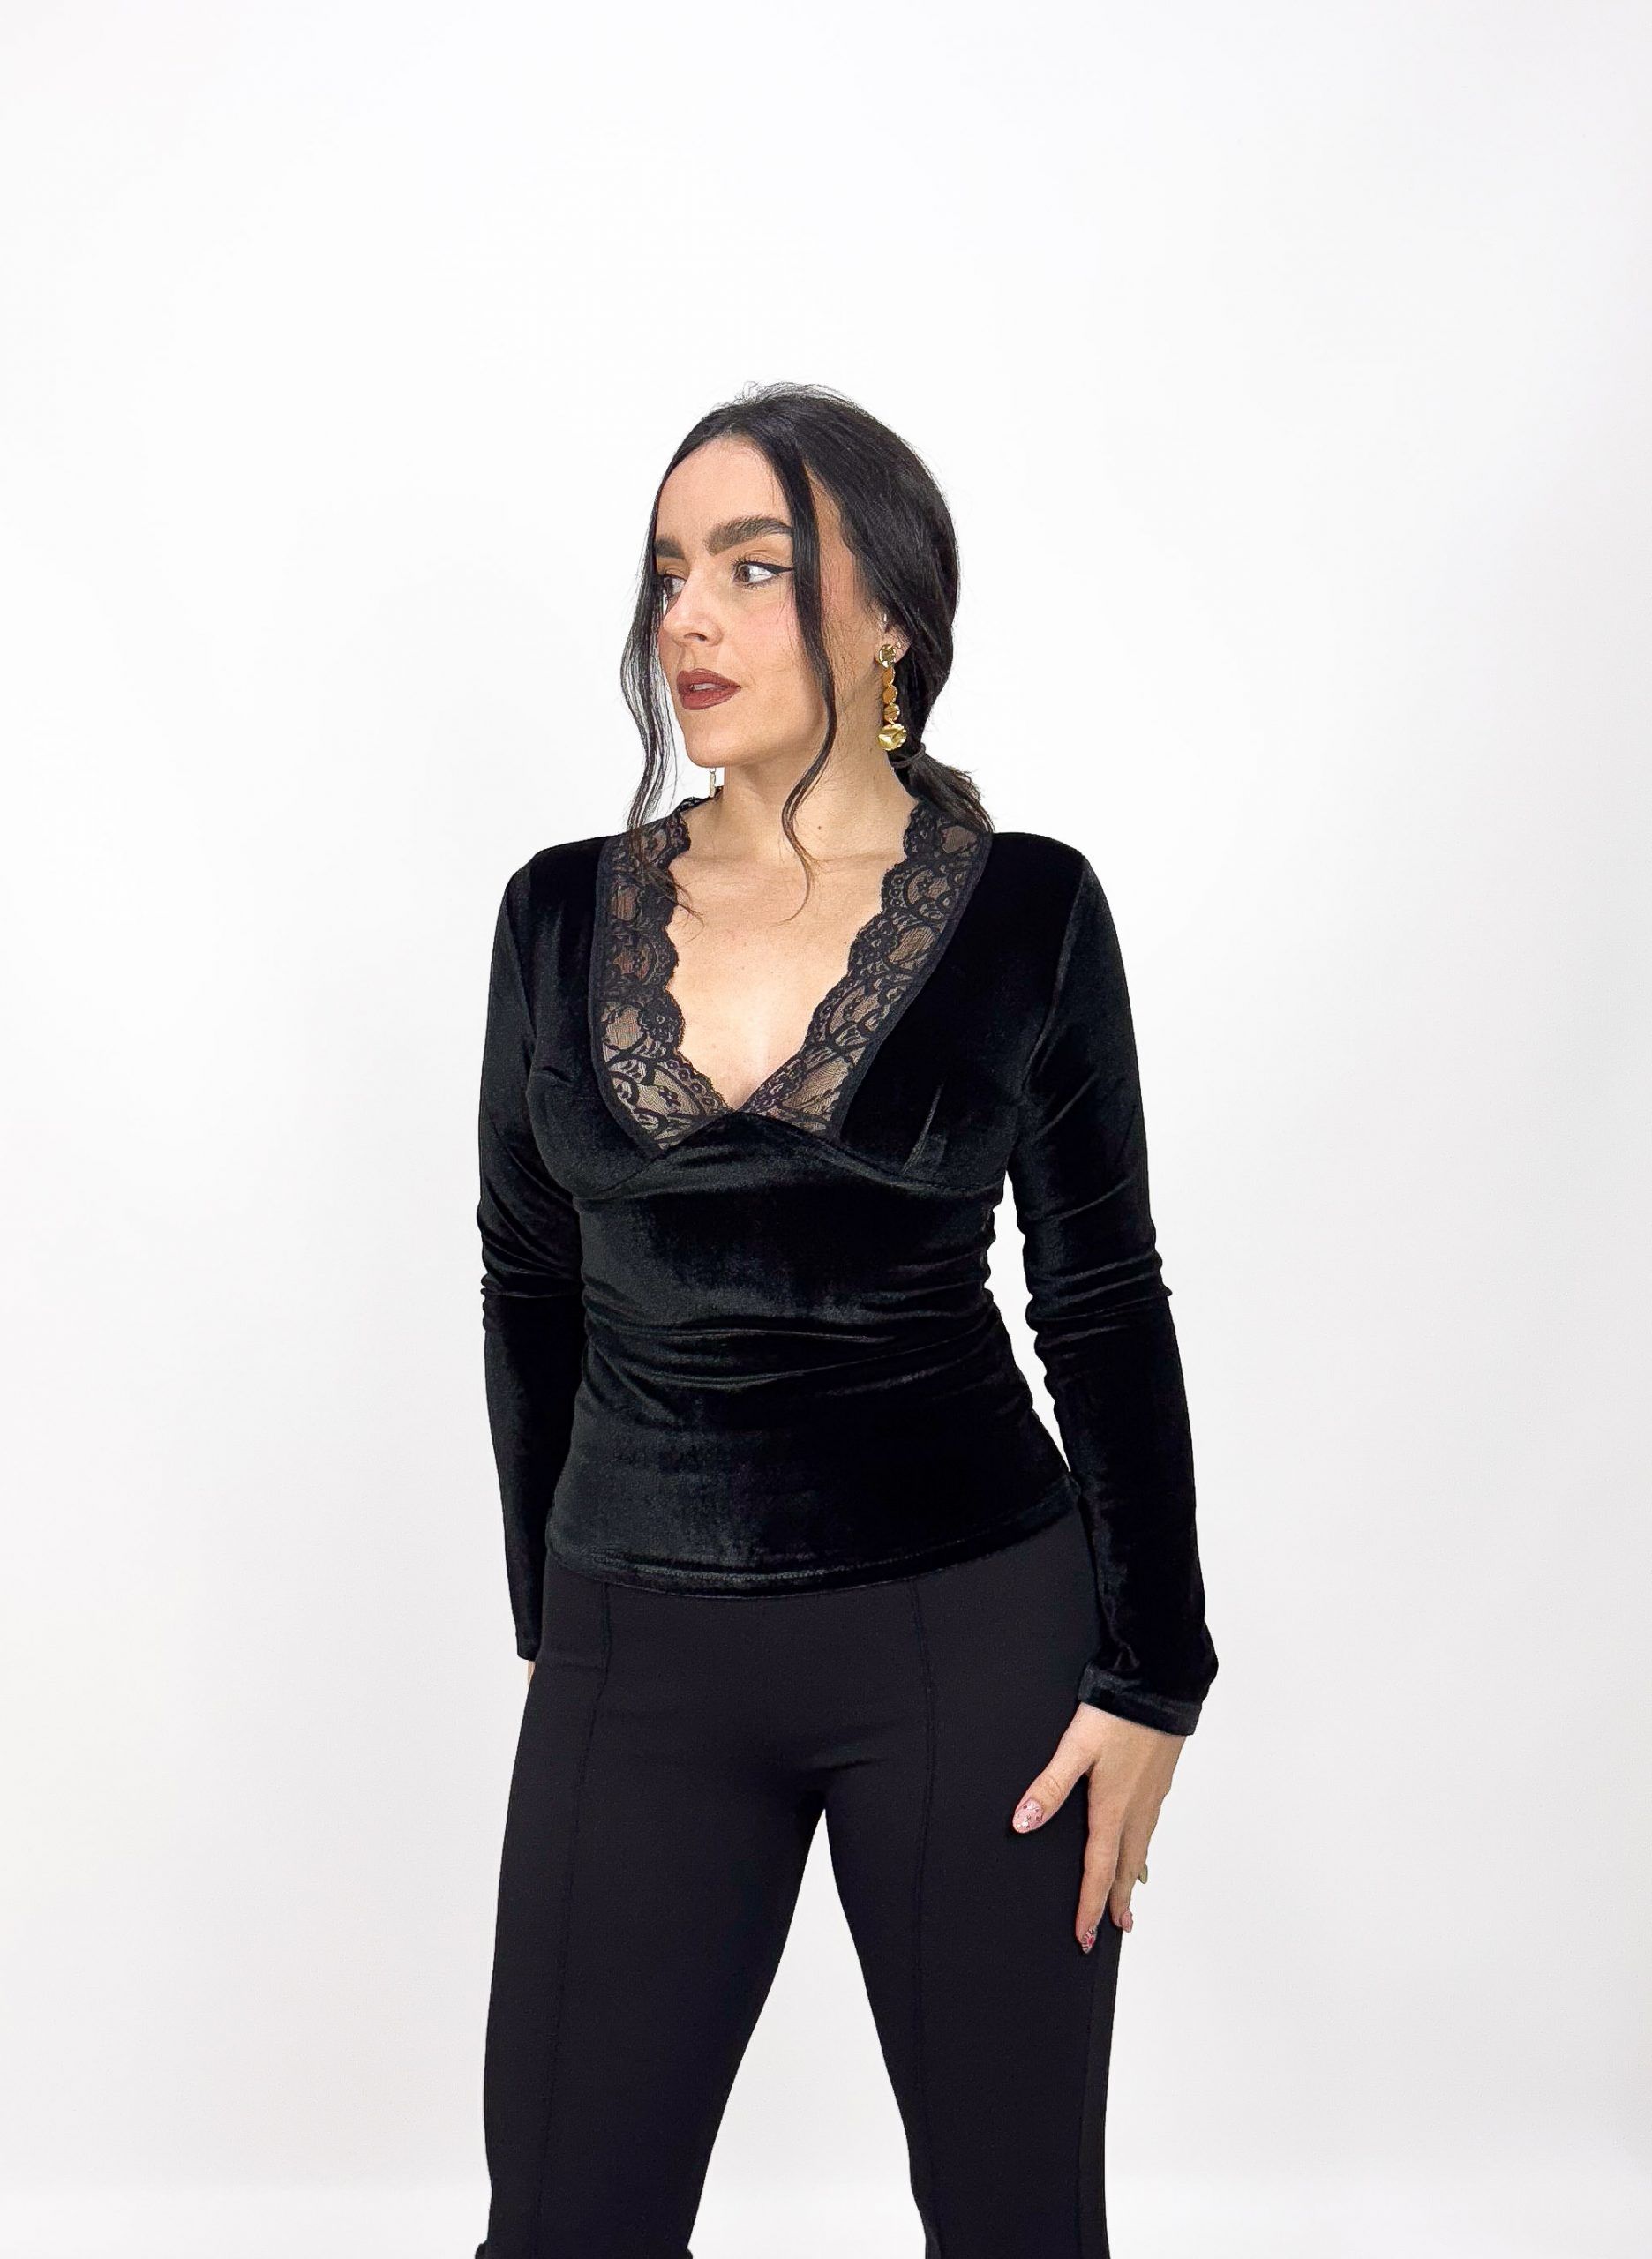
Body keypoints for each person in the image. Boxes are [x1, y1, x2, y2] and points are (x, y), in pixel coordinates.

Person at [471, 381, 1220, 2259]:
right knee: (564, 2226)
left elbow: (1103, 1300)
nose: (691, 619)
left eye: (753, 566)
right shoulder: (556, 916)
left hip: (973, 1644)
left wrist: (1155, 1675)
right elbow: (527, 1281)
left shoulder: (1030, 912)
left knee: (1016, 2225)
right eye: (669, 574)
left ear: (887, 614)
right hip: (636, 1648)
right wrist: (560, 1630)